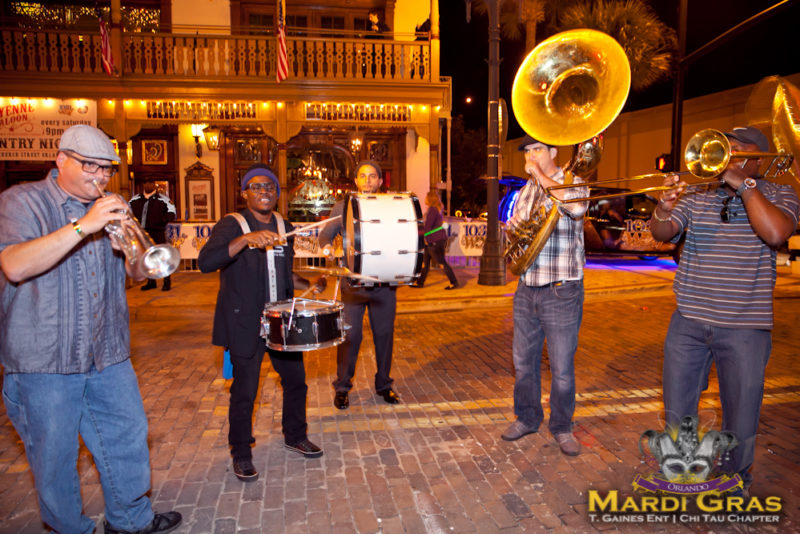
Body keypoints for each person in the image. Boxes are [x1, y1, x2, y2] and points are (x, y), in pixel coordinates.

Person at [0, 124, 181, 534]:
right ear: (61, 159)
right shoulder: (20, 202)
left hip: (107, 351)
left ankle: (130, 520)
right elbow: (14, 265)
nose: (100, 177)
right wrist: (85, 226)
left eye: (106, 169)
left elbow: (138, 274)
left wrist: (131, 252)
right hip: (43, 357)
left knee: (127, 436)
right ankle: (69, 528)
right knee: (55, 456)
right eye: (91, 167)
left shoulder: (111, 207)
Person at [650, 126, 800, 491]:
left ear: (756, 158)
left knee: (741, 414)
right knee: (677, 407)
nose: (723, 155)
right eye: (722, 148)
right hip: (688, 323)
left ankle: (735, 476)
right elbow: (663, 232)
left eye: (734, 150)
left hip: (746, 328)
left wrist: (744, 186)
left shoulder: (781, 193)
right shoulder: (700, 193)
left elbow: (776, 234)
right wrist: (663, 207)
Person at [198, 164, 326, 482]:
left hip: (280, 321)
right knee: (245, 391)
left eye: (270, 186)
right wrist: (246, 239)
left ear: (277, 193)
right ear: (245, 193)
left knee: (296, 381)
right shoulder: (232, 224)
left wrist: (309, 281)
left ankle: (295, 435)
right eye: (256, 187)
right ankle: (241, 453)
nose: (264, 191)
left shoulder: (284, 224)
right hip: (245, 322)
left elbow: (282, 272)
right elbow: (205, 262)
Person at [500, 135, 589, 457]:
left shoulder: (575, 182)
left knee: (562, 368)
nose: (530, 156)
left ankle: (563, 427)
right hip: (527, 287)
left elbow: (576, 208)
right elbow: (517, 226)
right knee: (523, 364)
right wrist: (510, 230)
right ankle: (527, 418)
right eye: (526, 151)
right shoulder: (525, 191)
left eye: (536, 149)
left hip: (561, 289)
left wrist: (539, 174)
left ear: (553, 151)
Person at [318, 161, 400, 410]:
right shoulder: (343, 207)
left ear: (380, 181)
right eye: (362, 176)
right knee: (350, 337)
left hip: (383, 283)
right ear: (356, 181)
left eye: (372, 176)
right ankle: (343, 386)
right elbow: (324, 236)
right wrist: (328, 249)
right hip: (353, 284)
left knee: (384, 337)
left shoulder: (391, 205)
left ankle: (384, 384)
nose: (367, 181)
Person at [129, 180, 177, 291]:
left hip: (158, 232)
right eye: (146, 183)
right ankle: (151, 281)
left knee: (161, 256)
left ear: (154, 185)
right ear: (143, 185)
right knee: (146, 257)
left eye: (150, 183)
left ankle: (166, 282)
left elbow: (172, 213)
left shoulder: (163, 199)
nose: (148, 185)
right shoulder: (135, 199)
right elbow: (128, 212)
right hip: (142, 232)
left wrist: (160, 221)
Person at [413, 190, 459, 289]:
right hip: (432, 240)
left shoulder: (432, 210)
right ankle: (420, 283)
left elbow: (427, 227)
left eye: (426, 197)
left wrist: (420, 236)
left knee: (441, 262)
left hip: (434, 241)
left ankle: (454, 282)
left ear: (429, 199)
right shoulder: (435, 209)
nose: (425, 198)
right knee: (425, 263)